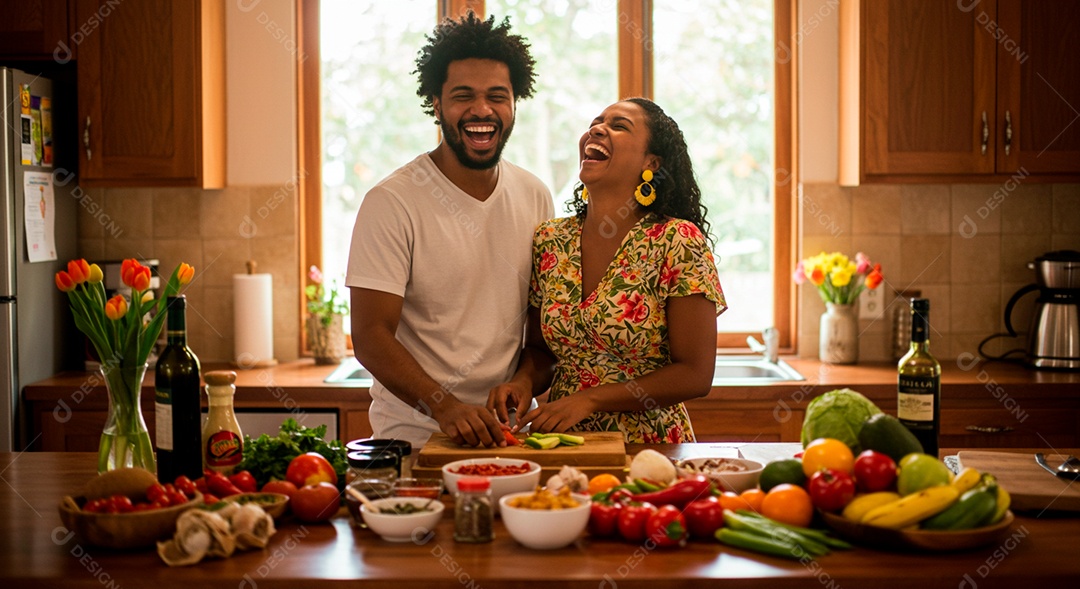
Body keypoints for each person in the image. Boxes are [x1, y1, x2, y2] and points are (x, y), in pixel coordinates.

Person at [346, 13, 554, 449]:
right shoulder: (392, 202)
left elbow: (540, 336)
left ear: (515, 102)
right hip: (416, 442)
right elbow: (370, 337)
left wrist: (522, 381)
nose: (482, 110)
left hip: (509, 439)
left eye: (497, 96)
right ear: (436, 104)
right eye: (463, 96)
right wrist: (445, 406)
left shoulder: (535, 195)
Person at [489, 98, 726, 443]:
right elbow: (542, 352)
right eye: (596, 122)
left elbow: (695, 374)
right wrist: (522, 382)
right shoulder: (551, 239)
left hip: (649, 447)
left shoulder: (676, 240)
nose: (596, 129)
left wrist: (590, 400)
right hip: (562, 442)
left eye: (619, 125)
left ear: (652, 162)